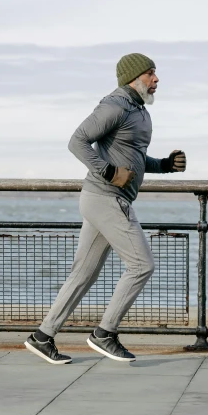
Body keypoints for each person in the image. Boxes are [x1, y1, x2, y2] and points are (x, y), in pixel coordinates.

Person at [24, 53, 186, 364]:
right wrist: (109, 172)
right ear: (133, 78)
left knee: (83, 274)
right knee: (142, 265)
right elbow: (78, 141)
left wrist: (164, 165)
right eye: (151, 73)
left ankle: (42, 337)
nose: (156, 80)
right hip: (106, 198)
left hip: (106, 200)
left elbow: (135, 160)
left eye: (156, 74)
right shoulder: (115, 105)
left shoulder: (138, 111)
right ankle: (104, 334)